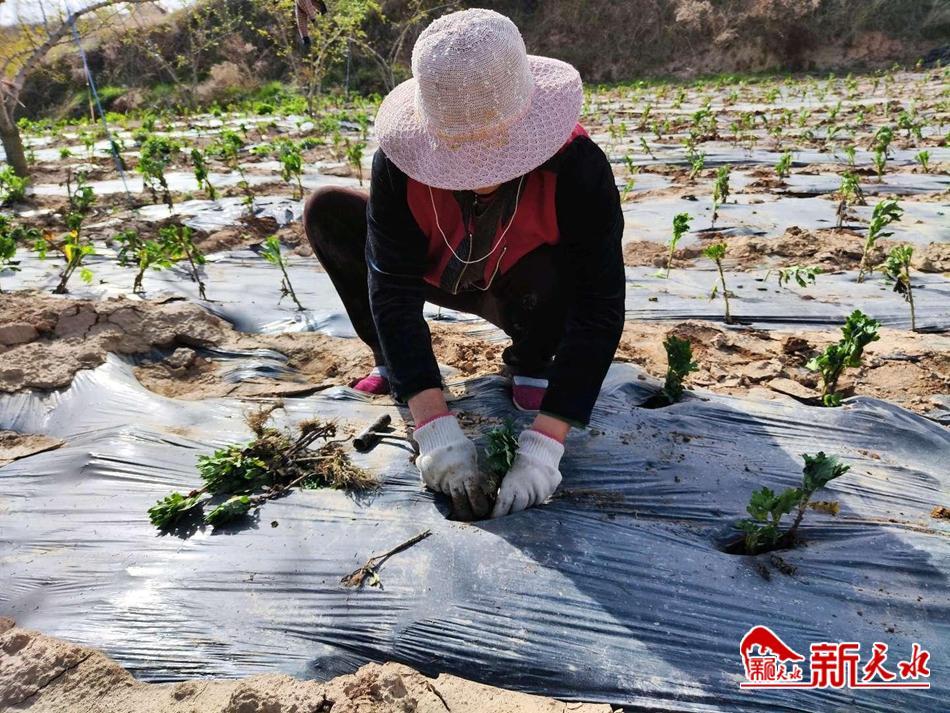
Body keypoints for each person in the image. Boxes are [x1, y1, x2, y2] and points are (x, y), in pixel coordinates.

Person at [304, 9, 624, 520]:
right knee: (329, 210)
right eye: (459, 155)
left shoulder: (578, 168)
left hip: (522, 285)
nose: (479, 175)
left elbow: (600, 305)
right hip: (437, 270)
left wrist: (546, 444)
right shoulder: (399, 164)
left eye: (497, 152)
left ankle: (533, 360)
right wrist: (433, 427)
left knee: (563, 274)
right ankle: (391, 360)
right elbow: (391, 288)